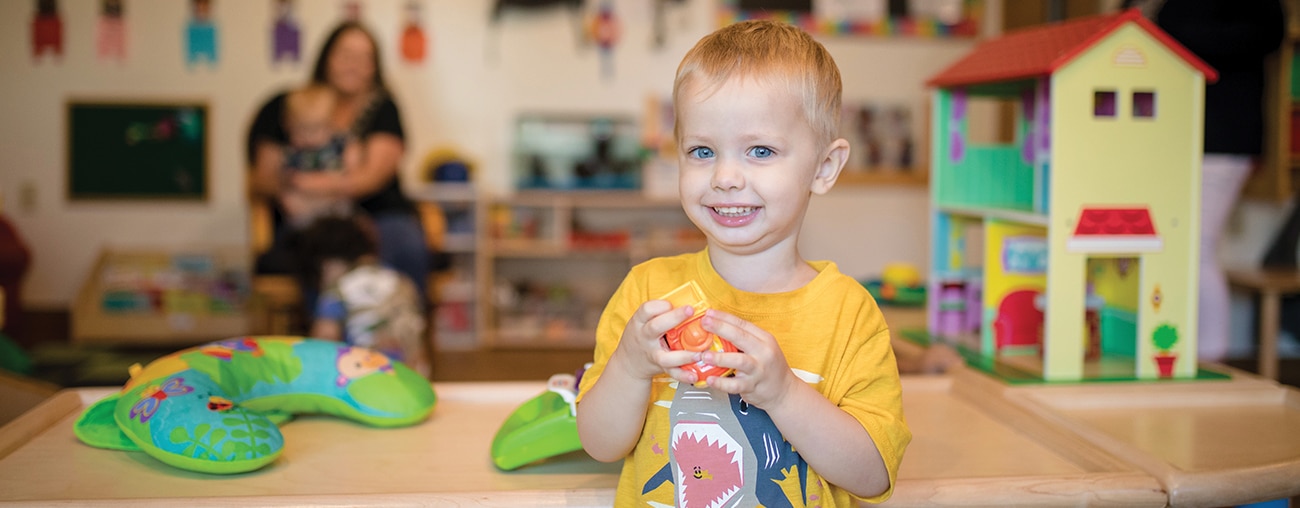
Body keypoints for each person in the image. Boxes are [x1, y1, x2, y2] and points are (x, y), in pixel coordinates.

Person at [575, 20, 910, 506]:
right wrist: (630, 365)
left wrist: (784, 395)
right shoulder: (648, 292)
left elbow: (873, 475)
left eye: (760, 150)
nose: (725, 176)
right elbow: (599, 445)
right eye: (702, 150)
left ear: (823, 168)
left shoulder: (849, 313)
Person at [1127, 0, 1285, 362]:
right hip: (1179, 134)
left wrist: (1162, 24)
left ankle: (1209, 358)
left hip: (1221, 137)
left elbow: (1266, 34)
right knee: (1177, 244)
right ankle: (1183, 351)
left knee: (1195, 247)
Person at [247, 21, 429, 320]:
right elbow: (263, 178)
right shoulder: (287, 105)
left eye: (364, 57)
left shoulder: (383, 109)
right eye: (345, 54)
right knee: (321, 249)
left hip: (379, 212)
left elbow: (372, 177)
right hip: (308, 218)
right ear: (326, 58)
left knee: (402, 242)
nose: (354, 65)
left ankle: (398, 337)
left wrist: (307, 184)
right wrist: (298, 193)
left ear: (375, 67)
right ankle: (329, 344)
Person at [296, 215, 429, 378]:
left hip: (364, 380)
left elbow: (323, 343)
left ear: (328, 263)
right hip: (411, 379)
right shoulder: (403, 282)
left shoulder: (338, 289)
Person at [279, 83, 356, 229]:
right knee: (290, 199)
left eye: (315, 130)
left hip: (335, 202)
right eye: (301, 131)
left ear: (331, 124)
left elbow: (352, 168)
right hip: (304, 208)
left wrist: (332, 181)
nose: (308, 138)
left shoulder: (339, 145)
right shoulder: (293, 152)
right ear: (289, 126)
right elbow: (287, 177)